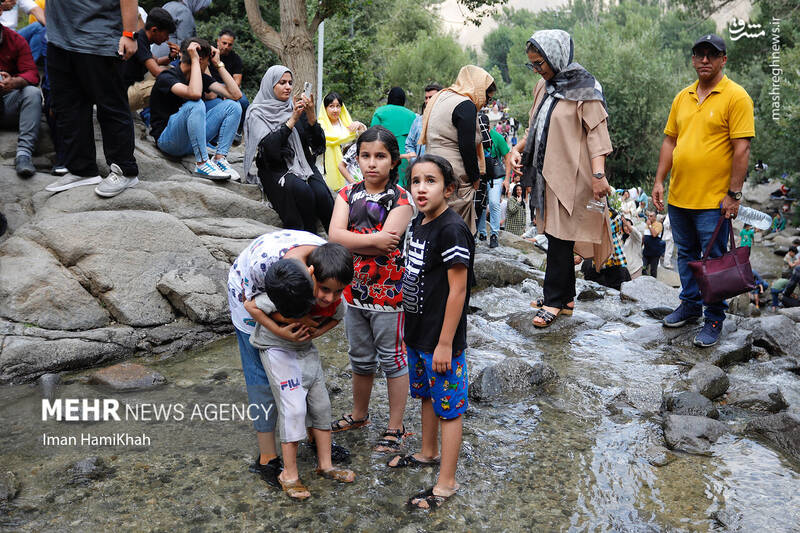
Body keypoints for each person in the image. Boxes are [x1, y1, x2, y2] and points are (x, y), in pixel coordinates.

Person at [652, 33, 755, 347]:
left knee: (713, 259)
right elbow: (670, 140)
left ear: (724, 59)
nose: (705, 60)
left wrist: (734, 195)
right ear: (694, 59)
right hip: (679, 196)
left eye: (712, 54)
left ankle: (714, 317)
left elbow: (742, 150)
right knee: (685, 254)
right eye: (700, 54)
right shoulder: (682, 97)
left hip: (714, 200)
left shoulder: (736, 96)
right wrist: (659, 180)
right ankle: (690, 305)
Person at [510, 30, 613, 327]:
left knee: (560, 236)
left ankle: (553, 301)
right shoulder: (545, 87)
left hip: (575, 175)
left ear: (556, 56)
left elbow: (597, 135)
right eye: (532, 64)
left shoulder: (586, 88)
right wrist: (516, 150)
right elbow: (535, 127)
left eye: (540, 63)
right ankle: (565, 298)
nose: (537, 70)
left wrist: (598, 175)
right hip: (546, 174)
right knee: (557, 236)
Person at [389, 154, 474, 512]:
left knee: (449, 409)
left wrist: (444, 343)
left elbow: (458, 290)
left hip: (442, 341)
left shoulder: (452, 229)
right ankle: (427, 451)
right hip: (417, 333)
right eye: (416, 181)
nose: (421, 188)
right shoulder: (417, 222)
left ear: (449, 189)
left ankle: (447, 482)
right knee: (425, 394)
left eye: (431, 181)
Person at [245, 251, 357, 500]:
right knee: (293, 409)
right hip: (277, 350)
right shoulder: (292, 290)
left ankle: (325, 465)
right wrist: (282, 328)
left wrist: (316, 332)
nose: (330, 298)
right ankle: (289, 474)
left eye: (338, 292)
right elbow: (251, 304)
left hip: (306, 350)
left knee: (321, 405)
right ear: (311, 276)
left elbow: (339, 316)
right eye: (325, 290)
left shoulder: (336, 301)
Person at [328, 126, 413, 452]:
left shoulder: (402, 198)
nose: (372, 163)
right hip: (353, 291)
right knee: (360, 358)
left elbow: (388, 243)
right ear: (358, 159)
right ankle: (359, 413)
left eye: (380, 156)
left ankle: (396, 426)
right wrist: (372, 240)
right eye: (365, 156)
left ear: (393, 161)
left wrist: (361, 241)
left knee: (393, 358)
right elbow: (335, 236)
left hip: (390, 295)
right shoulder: (347, 194)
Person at [44, 0, 141, 199]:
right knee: (68, 107)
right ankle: (81, 170)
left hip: (99, 37)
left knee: (111, 106)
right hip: (59, 39)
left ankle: (125, 170)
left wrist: (129, 33)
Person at [243, 65, 334, 232]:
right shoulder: (257, 113)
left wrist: (312, 117)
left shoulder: (297, 108)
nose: (288, 87)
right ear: (270, 85)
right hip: (275, 168)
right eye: (282, 82)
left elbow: (318, 146)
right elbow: (270, 149)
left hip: (304, 164)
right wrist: (292, 121)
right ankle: (307, 238)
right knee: (302, 191)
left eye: (290, 83)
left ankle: (337, 238)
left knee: (321, 194)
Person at [149, 38, 242, 180]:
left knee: (233, 106)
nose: (209, 63)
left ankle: (219, 159)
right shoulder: (167, 76)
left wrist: (218, 64)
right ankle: (202, 163)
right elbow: (195, 94)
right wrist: (195, 59)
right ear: (200, 60)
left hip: (192, 142)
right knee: (196, 104)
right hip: (168, 141)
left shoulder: (201, 77)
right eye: (208, 61)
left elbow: (236, 95)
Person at [420, 66, 496, 235]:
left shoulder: (442, 97)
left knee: (435, 224)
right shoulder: (465, 105)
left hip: (431, 167)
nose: (485, 103)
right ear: (478, 88)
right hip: (454, 175)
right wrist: (475, 177)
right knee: (455, 231)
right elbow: (467, 146)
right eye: (487, 98)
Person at [0, 19, 41, 177]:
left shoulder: (15, 39)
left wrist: (14, 82)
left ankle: (23, 155)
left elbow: (32, 73)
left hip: (8, 102)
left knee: (32, 93)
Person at [121, 7, 177, 113]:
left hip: (130, 84)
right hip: (123, 93)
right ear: (154, 30)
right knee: (167, 83)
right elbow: (156, 72)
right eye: (166, 34)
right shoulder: (139, 40)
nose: (167, 38)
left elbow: (157, 62)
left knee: (170, 69)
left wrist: (171, 57)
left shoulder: (143, 38)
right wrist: (182, 73)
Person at [318, 91, 365, 190]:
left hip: (349, 175)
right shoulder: (320, 128)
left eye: (338, 106)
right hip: (325, 174)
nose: (335, 110)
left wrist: (360, 126)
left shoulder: (348, 126)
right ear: (325, 108)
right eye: (331, 106)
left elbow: (363, 141)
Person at [206, 29, 249, 136]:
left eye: (230, 44)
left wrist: (229, 92)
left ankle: (238, 130)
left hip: (228, 86)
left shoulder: (235, 58)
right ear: (218, 41)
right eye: (224, 43)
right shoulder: (209, 53)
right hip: (211, 84)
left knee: (243, 102)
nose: (226, 47)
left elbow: (237, 80)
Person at [476, 113, 510, 248]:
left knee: (494, 203)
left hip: (495, 175)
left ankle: (494, 233)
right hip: (481, 176)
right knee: (481, 205)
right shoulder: (476, 137)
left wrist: (507, 179)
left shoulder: (497, 137)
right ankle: (482, 232)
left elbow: (507, 157)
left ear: (488, 127)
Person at [370, 87, 416, 187]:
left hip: (385, 158)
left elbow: (372, 137)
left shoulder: (380, 112)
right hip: (407, 160)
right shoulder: (412, 115)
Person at [405, 82, 442, 162]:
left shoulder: (446, 120)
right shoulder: (418, 120)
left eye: (431, 97)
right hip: (418, 168)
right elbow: (409, 144)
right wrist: (414, 161)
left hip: (438, 168)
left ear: (440, 98)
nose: (427, 101)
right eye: (426, 98)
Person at [642, 210, 664, 278]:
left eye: (651, 216)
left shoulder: (659, 225)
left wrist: (650, 226)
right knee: (643, 268)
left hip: (655, 253)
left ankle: (653, 286)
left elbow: (654, 234)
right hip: (646, 252)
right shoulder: (647, 225)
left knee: (653, 271)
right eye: (648, 216)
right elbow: (644, 236)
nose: (649, 217)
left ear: (655, 217)